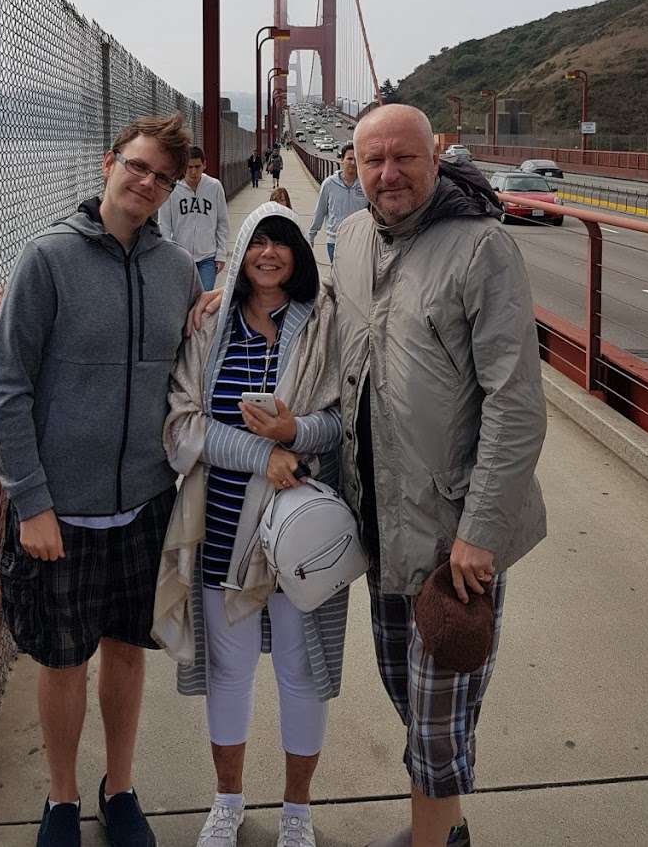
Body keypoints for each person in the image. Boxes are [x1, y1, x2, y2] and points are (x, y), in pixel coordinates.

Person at [0, 114, 201, 847]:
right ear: (109, 163)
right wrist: (31, 501)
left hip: (144, 502)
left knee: (127, 648)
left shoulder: (175, 270)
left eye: (163, 177)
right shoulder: (46, 257)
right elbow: (6, 388)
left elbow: (185, 369)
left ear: (173, 188)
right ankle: (62, 797)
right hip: (63, 511)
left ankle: (120, 785)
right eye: (137, 167)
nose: (147, 183)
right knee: (61, 657)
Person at [335, 104, 547, 847]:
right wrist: (221, 304)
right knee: (411, 697)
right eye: (373, 160)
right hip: (381, 527)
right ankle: (446, 827)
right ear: (351, 168)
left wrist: (481, 534)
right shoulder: (350, 237)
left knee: (436, 723)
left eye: (405, 158)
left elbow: (517, 404)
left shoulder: (482, 248)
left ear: (436, 158)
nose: (389, 173)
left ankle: (436, 835)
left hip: (453, 541)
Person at [153, 203, 347, 847]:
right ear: (239, 252)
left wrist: (295, 431)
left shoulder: (323, 323)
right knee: (229, 673)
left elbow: (340, 420)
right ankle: (227, 802)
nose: (269, 252)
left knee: (301, 671)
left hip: (299, 532)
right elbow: (183, 425)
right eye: (257, 241)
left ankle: (297, 812)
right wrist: (266, 453)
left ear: (299, 254)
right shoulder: (210, 326)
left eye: (283, 242)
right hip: (220, 523)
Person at [157, 146, 229, 291]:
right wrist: (169, 254)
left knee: (203, 301)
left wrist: (221, 254)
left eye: (197, 166)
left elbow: (222, 221)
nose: (193, 171)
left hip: (207, 257)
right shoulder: (172, 189)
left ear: (204, 165)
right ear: (183, 167)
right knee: (183, 300)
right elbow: (164, 224)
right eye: (189, 167)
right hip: (181, 257)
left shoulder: (214, 186)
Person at [307, 144, 367, 262]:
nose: (353, 163)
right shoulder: (329, 184)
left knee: (357, 278)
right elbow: (320, 210)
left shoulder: (365, 184)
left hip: (360, 242)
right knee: (339, 278)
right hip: (335, 242)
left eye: (356, 159)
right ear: (342, 160)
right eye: (349, 159)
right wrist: (312, 234)